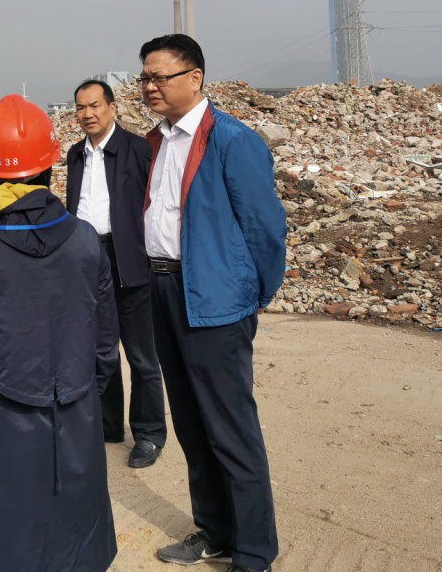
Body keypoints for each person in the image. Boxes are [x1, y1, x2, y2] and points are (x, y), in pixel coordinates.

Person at [0, 95, 120, 572]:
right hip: (74, 405)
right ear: (50, 164)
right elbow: (105, 341)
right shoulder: (85, 238)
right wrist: (80, 392)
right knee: (73, 529)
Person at [137, 35, 286, 572]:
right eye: (145, 78)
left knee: (230, 429)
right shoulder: (155, 142)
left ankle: (254, 552)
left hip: (213, 299)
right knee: (192, 425)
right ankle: (216, 531)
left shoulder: (231, 140)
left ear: (195, 78)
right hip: (162, 290)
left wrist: (254, 292)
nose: (150, 87)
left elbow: (265, 227)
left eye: (160, 77)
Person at [66, 78, 166, 468]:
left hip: (128, 259)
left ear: (111, 107)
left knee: (142, 356)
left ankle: (149, 435)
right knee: (98, 350)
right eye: (80, 107)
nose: (87, 114)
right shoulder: (75, 155)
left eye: (94, 105)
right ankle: (107, 427)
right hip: (87, 260)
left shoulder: (137, 149)